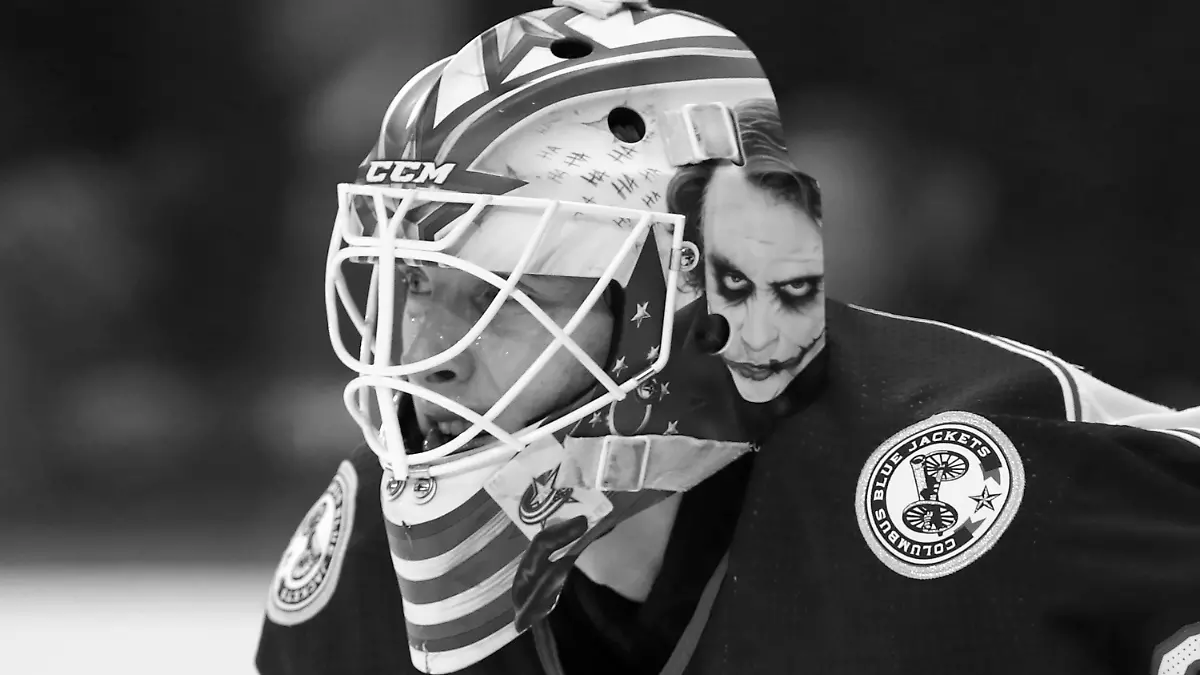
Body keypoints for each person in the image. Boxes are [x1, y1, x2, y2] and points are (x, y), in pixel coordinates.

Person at [257, 2, 1200, 674]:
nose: (431, 349)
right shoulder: (363, 572)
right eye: (412, 284)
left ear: (687, 291)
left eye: (495, 294)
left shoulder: (976, 470)